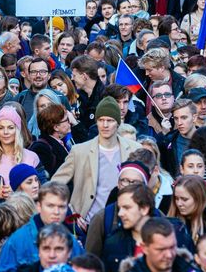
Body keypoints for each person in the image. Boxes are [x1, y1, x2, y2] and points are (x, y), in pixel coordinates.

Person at [52, 97, 142, 230]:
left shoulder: (134, 149)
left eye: (110, 120)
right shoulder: (80, 151)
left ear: (118, 123)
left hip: (125, 222)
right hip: (88, 223)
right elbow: (55, 184)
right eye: (101, 120)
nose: (105, 125)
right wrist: (70, 211)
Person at [0, 181, 85, 272]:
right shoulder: (17, 241)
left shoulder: (72, 241)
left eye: (61, 207)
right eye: (50, 206)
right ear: (39, 206)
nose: (56, 212)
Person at [167, 175, 206, 245]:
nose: (179, 203)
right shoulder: (171, 222)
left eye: (184, 199)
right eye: (176, 198)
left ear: (199, 199)